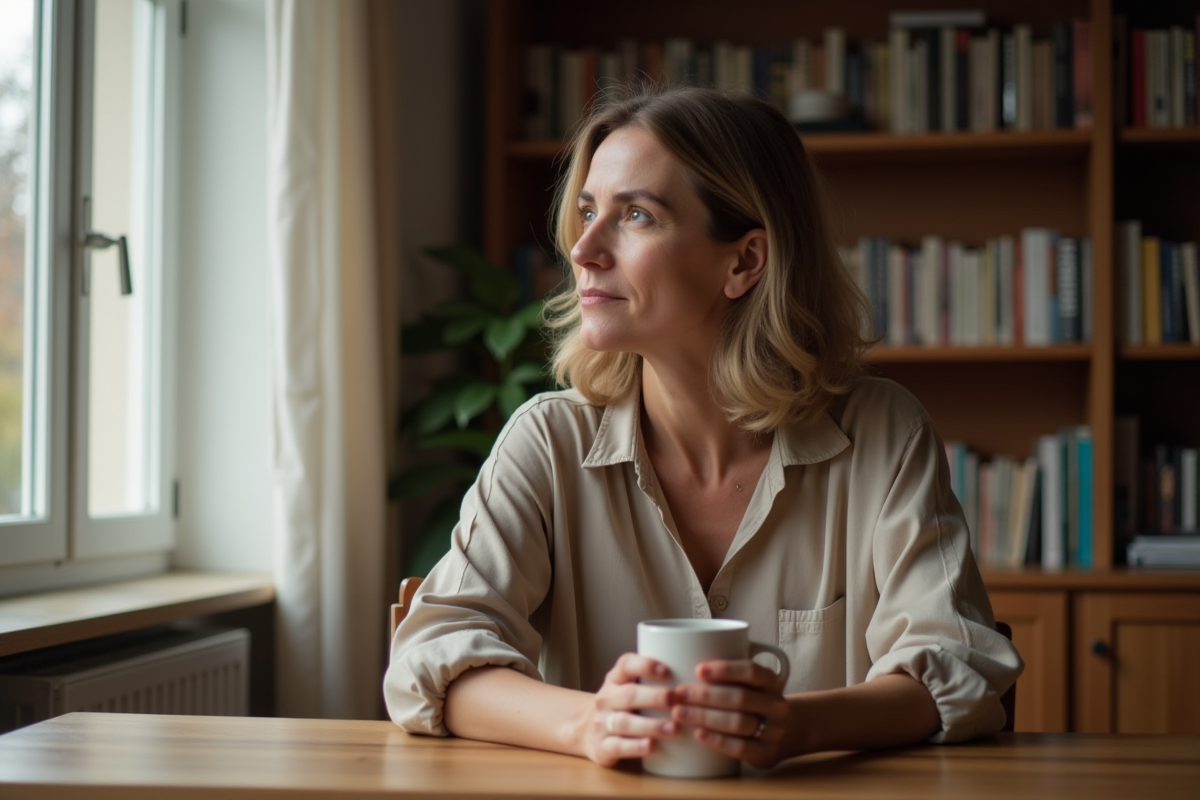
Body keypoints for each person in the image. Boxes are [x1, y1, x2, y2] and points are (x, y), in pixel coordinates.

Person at [384, 85, 1022, 769]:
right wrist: (589, 724)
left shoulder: (882, 434)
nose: (584, 249)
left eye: (636, 215)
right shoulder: (546, 443)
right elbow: (429, 657)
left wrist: (796, 726)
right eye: (588, 212)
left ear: (744, 261)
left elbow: (958, 663)